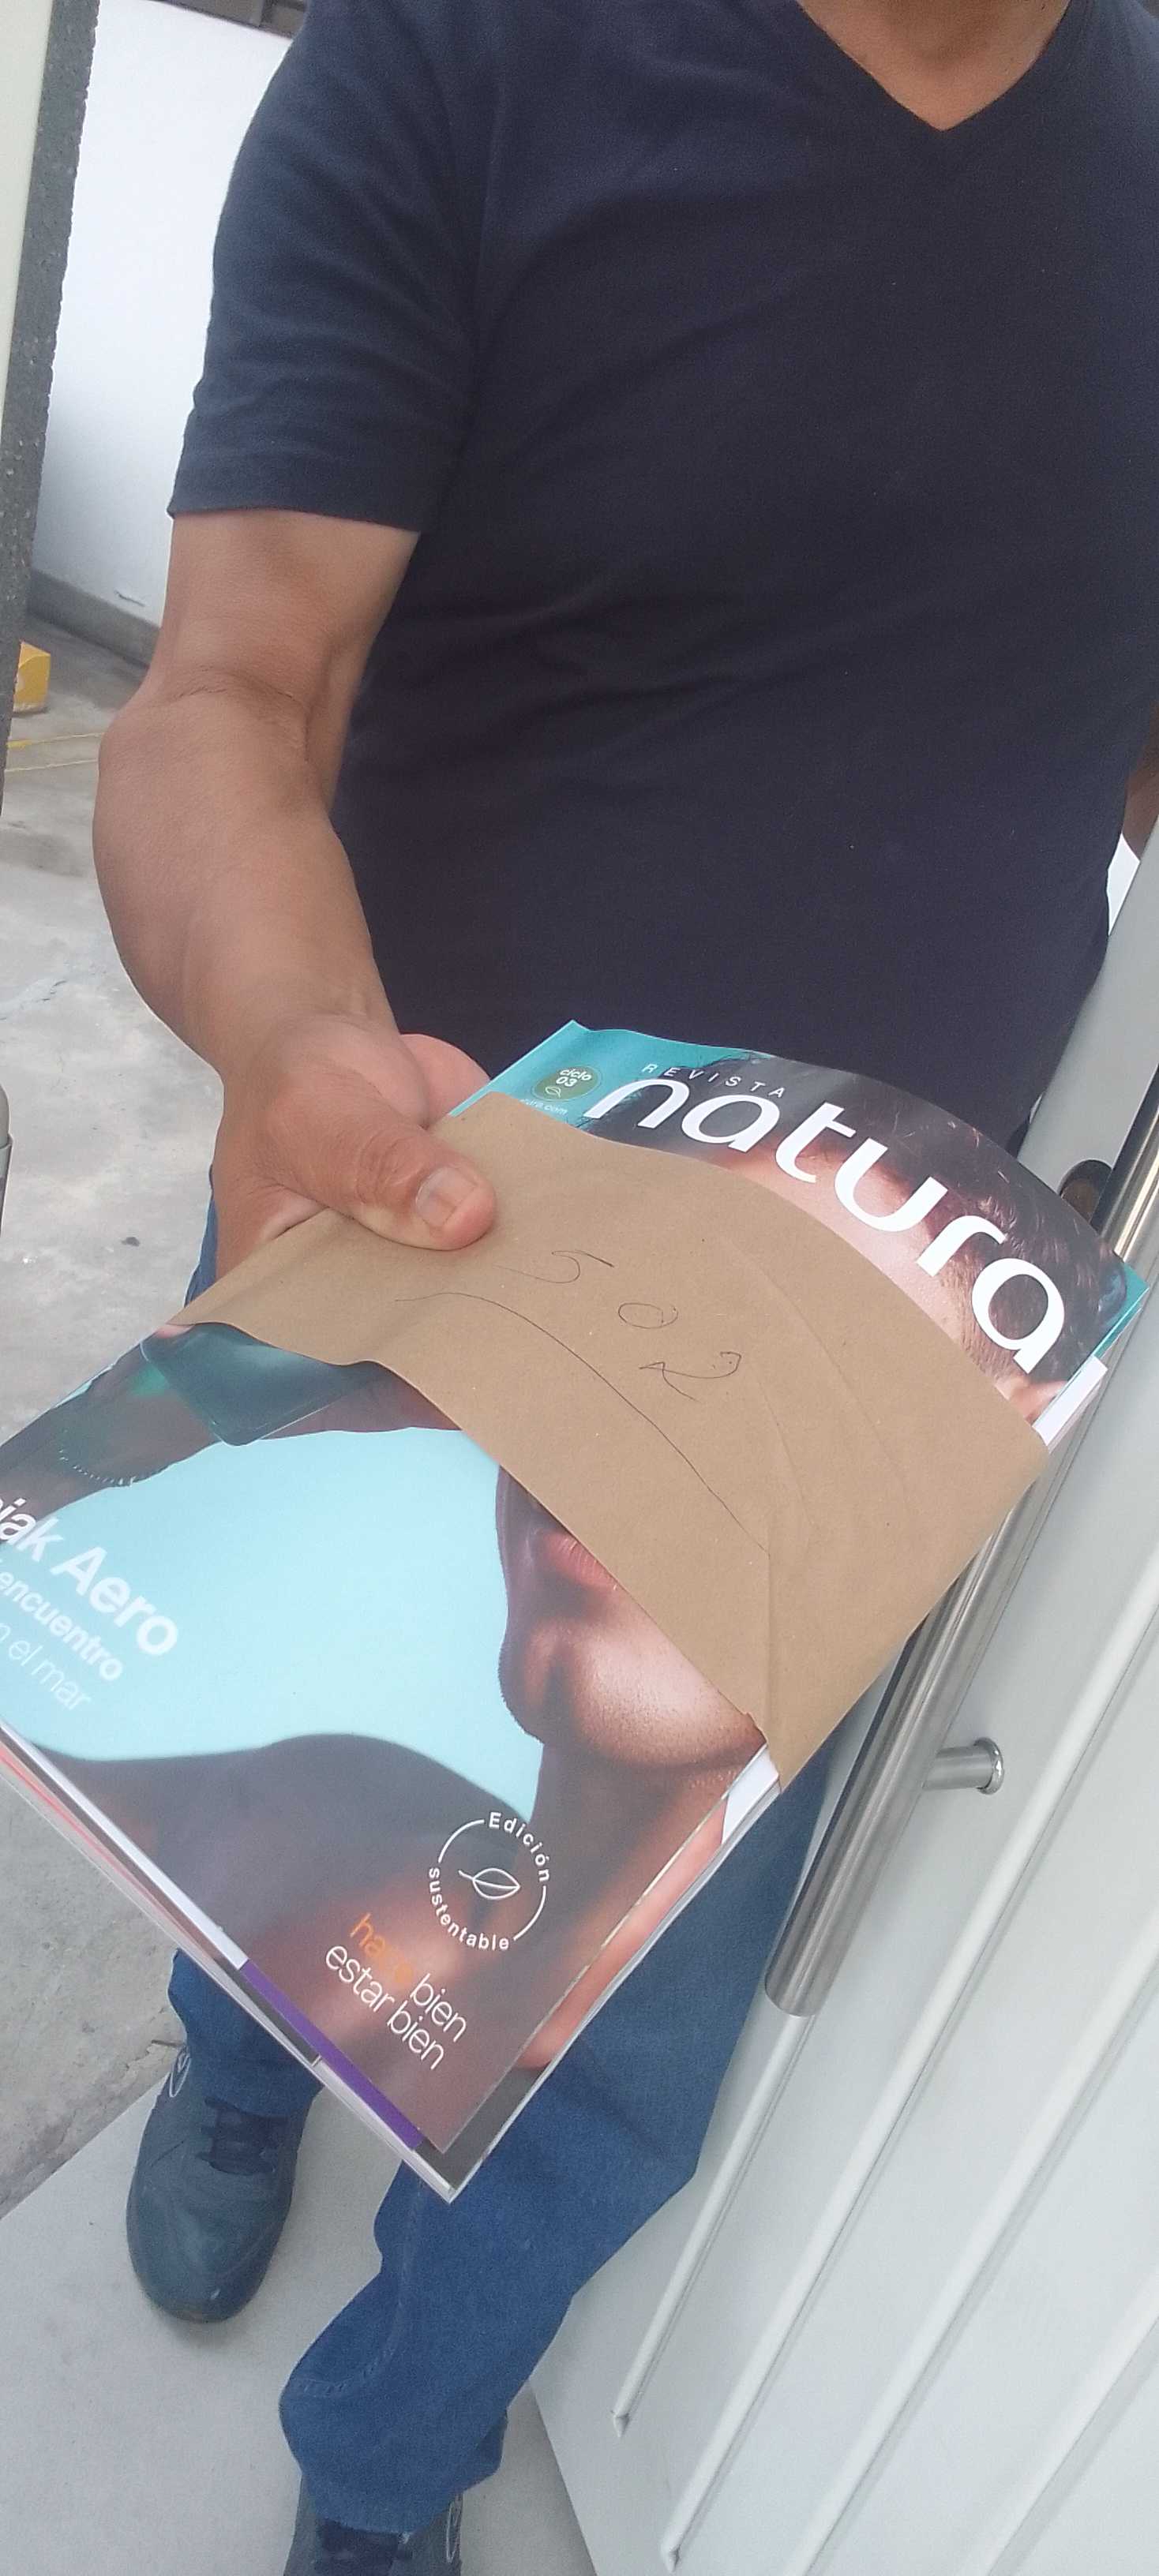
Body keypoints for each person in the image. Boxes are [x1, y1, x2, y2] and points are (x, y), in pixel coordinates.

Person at [89, 0, 1159, 2563]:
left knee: (620, 2048)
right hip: (411, 1217)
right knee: (291, 1820)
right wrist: (288, 1040)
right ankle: (238, 2071)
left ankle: (383, 2471)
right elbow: (232, 686)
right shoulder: (458, 61)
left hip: (853, 1340)